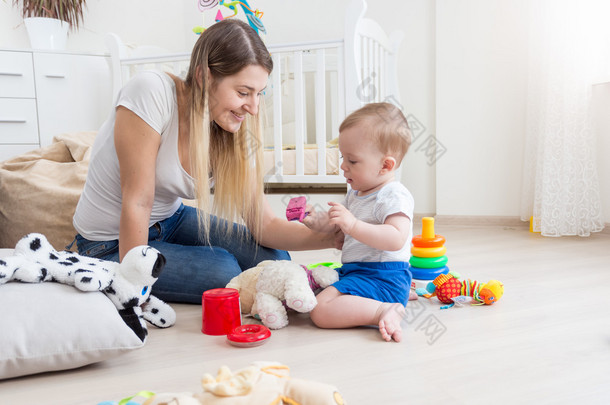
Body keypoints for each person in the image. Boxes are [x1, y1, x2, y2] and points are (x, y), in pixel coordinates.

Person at [72, 19, 337, 304]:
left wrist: (334, 237)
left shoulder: (231, 130)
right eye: (243, 92)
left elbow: (266, 226)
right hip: (107, 242)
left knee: (275, 259)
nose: (254, 108)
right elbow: (138, 202)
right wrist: (132, 286)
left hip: (169, 221)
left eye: (259, 94)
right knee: (223, 270)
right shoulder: (151, 92)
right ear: (204, 77)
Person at [303, 102, 413, 342]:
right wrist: (314, 220)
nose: (343, 166)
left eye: (352, 161)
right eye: (343, 158)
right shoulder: (357, 193)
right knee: (309, 287)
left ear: (385, 165)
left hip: (382, 276)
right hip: (358, 272)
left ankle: (383, 310)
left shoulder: (393, 194)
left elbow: (396, 238)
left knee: (319, 310)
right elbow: (336, 224)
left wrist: (353, 226)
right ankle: (380, 303)